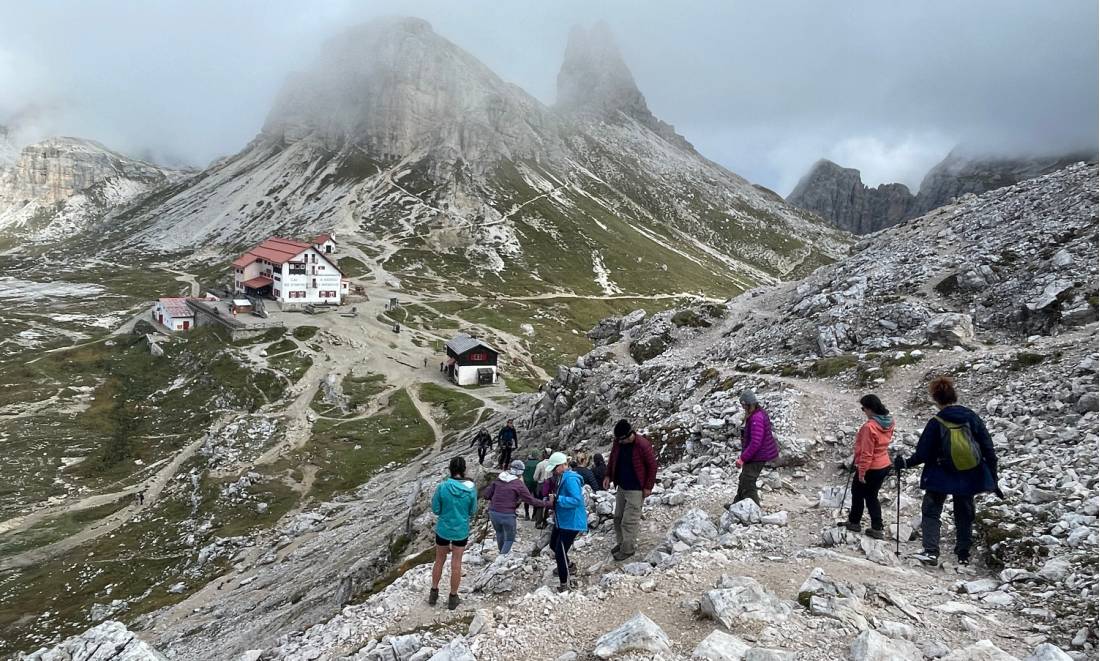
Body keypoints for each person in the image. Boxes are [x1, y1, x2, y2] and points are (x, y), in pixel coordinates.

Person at [894, 376, 1000, 566]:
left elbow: (922, 454)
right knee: (964, 513)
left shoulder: (936, 422)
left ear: (936, 399)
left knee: (931, 510)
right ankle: (963, 554)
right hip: (969, 474)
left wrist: (904, 464)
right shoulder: (971, 417)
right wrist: (993, 478)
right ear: (954, 395)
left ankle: (931, 551)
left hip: (940, 474)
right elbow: (988, 449)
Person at [604, 420, 658, 561]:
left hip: (636, 489)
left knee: (629, 521)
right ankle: (622, 543)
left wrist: (648, 487)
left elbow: (652, 466)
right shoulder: (618, 443)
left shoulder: (642, 445)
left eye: (621, 440)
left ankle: (628, 550)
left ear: (628, 436)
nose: (618, 443)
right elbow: (613, 459)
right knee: (618, 518)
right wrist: (608, 475)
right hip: (621, 486)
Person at [429, 457, 478, 610]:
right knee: (456, 564)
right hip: (461, 531)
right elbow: (473, 511)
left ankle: (434, 592)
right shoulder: (471, 489)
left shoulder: (442, 487)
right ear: (463, 470)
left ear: (450, 469)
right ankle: (453, 597)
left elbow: (436, 509)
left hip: (443, 529)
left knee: (439, 560)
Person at [845, 394, 894, 539]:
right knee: (872, 495)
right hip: (884, 463)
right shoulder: (889, 422)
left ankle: (854, 522)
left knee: (858, 493)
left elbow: (867, 453)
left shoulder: (869, 427)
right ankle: (877, 527)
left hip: (871, 467)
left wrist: (861, 472)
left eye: (863, 409)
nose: (864, 412)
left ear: (870, 409)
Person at [481, 460, 549, 554]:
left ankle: (501, 552)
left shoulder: (498, 479)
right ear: (521, 473)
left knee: (499, 532)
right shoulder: (518, 484)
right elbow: (531, 501)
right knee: (509, 538)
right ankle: (502, 557)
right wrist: (548, 504)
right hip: (508, 514)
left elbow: (486, 495)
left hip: (493, 512)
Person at [547, 451, 587, 592]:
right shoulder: (562, 477)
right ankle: (568, 566)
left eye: (553, 468)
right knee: (553, 544)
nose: (552, 471)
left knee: (559, 551)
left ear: (561, 466)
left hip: (571, 521)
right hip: (563, 519)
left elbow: (576, 500)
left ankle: (565, 584)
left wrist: (558, 499)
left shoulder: (570, 479)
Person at [735, 390, 779, 505]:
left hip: (759, 455)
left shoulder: (756, 418)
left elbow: (755, 443)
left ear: (748, 404)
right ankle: (736, 504)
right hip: (757, 454)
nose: (743, 407)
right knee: (743, 478)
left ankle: (754, 509)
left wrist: (742, 458)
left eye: (743, 405)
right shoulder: (758, 413)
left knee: (748, 481)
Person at [522, 452, 541, 520]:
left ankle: (527, 515)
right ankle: (534, 515)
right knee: (536, 499)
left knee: (526, 499)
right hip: (536, 483)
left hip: (527, 484)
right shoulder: (538, 463)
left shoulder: (526, 463)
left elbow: (523, 474)